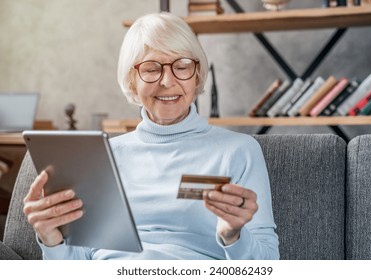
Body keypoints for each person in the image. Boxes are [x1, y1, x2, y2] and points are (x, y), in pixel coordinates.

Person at [23, 12, 279, 260]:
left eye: (182, 66)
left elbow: (267, 265)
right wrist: (51, 238)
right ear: (132, 80)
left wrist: (233, 235)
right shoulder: (102, 155)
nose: (167, 81)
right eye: (151, 68)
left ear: (197, 75)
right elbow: (81, 262)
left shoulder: (239, 150)